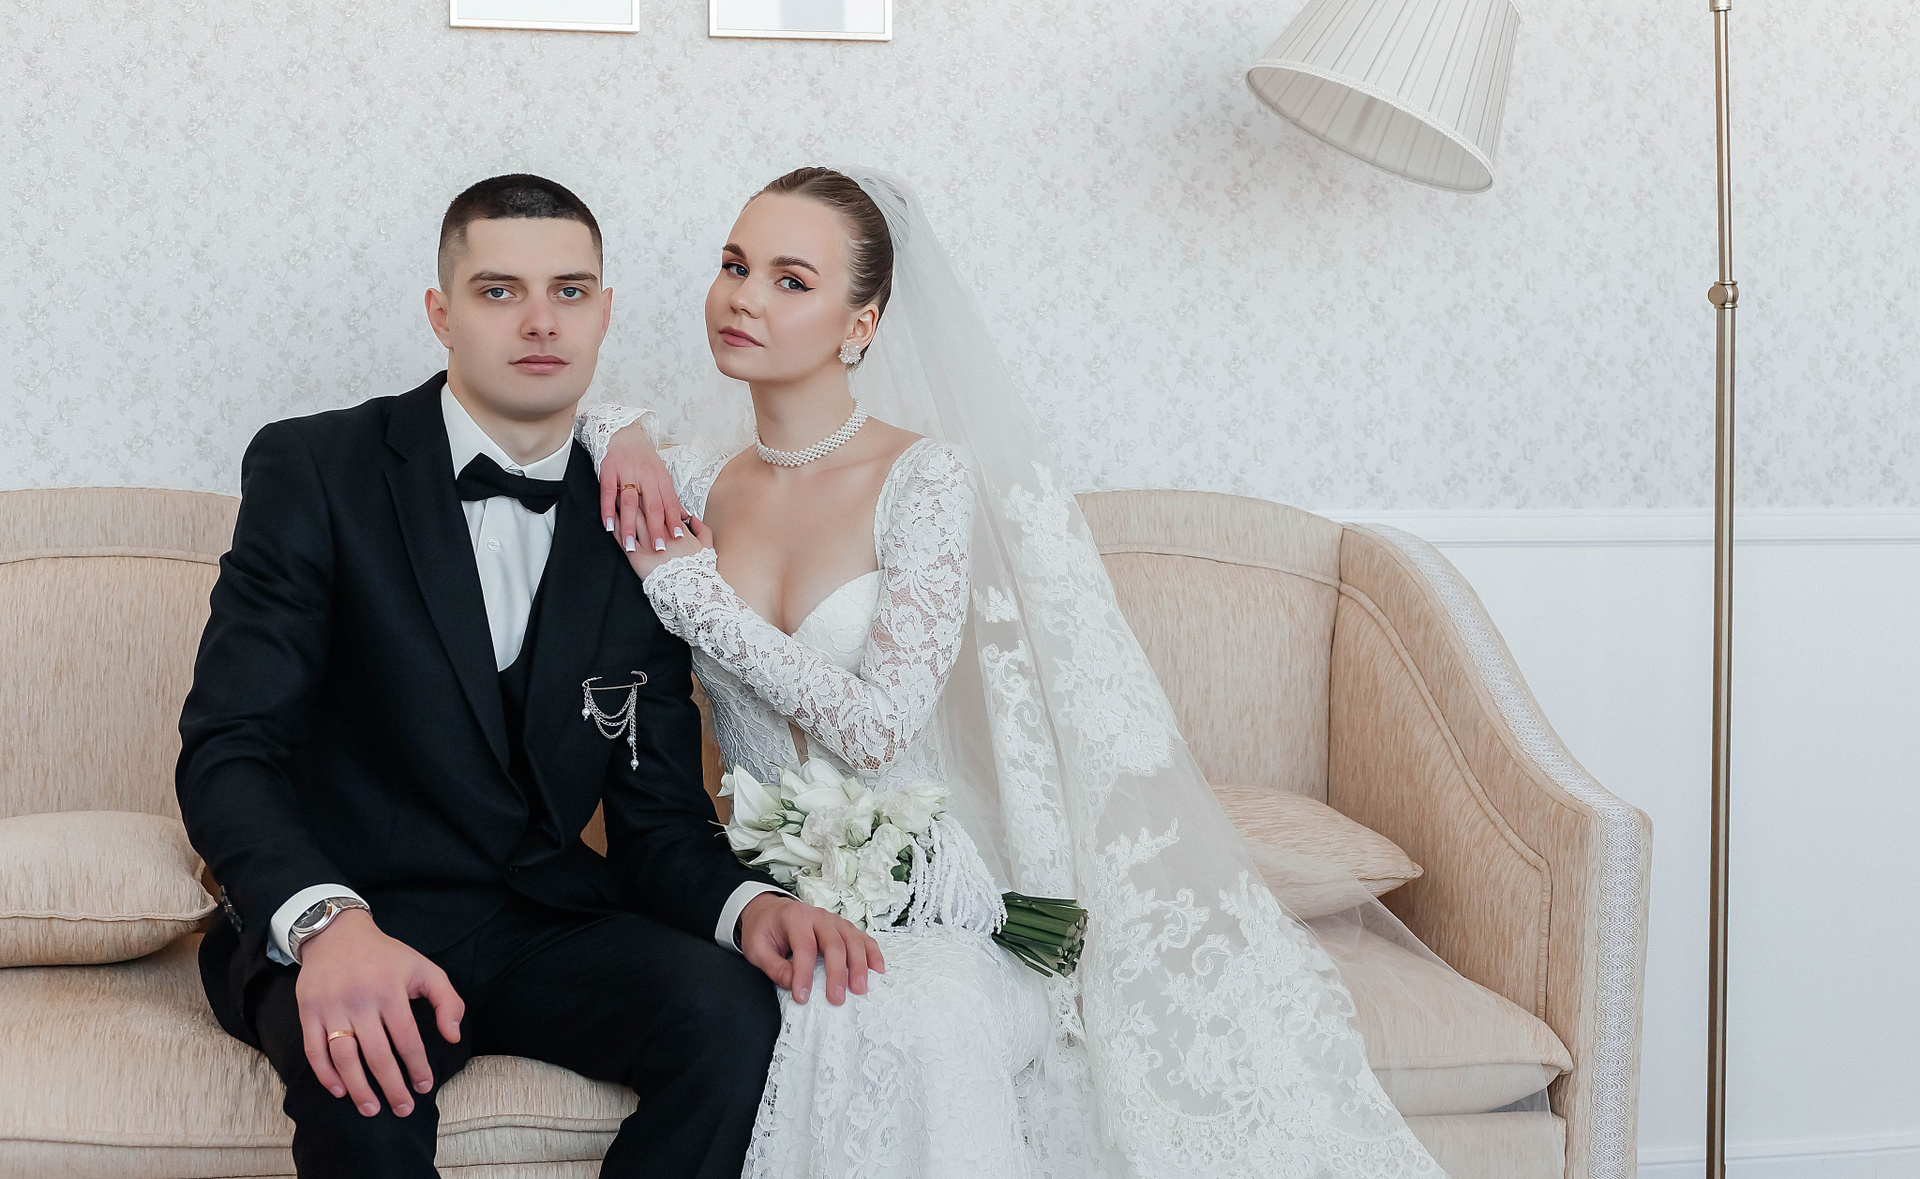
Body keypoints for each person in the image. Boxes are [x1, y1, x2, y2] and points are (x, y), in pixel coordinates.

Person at [581, 167, 1450, 1178]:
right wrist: (619, 428)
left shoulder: (924, 479)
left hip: (924, 895)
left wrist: (697, 599)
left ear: (861, 325)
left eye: (790, 280)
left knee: (911, 1016)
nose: (743, 298)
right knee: (780, 1012)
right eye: (734, 266)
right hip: (762, 889)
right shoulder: (686, 482)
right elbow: (561, 416)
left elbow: (877, 728)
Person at [175, 172, 881, 1179]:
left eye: (570, 292)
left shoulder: (644, 522)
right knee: (366, 1086)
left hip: (541, 922)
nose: (540, 322)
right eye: (499, 291)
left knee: (730, 1013)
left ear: (605, 313)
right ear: (441, 314)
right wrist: (327, 923)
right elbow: (229, 749)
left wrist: (749, 908)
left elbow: (658, 819)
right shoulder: (317, 468)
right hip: (353, 911)